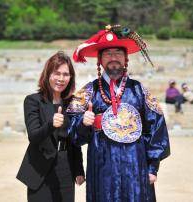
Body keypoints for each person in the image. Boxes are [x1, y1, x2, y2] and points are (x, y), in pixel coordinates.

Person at [67, 25, 170, 202]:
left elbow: (156, 128)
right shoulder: (89, 91)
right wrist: (83, 123)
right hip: (102, 167)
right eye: (107, 54)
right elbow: (72, 133)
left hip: (136, 167)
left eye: (118, 53)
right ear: (99, 59)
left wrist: (153, 167)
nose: (113, 58)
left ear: (125, 59)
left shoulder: (139, 90)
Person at [16, 51, 85, 202]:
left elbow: (74, 141)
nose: (61, 79)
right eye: (57, 73)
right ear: (47, 74)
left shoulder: (72, 103)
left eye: (66, 74)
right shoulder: (33, 101)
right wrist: (51, 124)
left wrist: (79, 169)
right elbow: (33, 136)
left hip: (66, 168)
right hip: (41, 170)